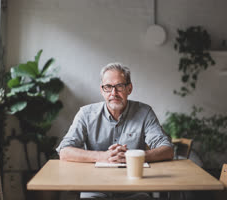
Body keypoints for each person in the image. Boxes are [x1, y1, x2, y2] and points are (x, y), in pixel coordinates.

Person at [56, 63, 173, 199]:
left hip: (135, 189)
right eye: (108, 87)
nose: (114, 93)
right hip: (95, 188)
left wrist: (132, 158)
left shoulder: (144, 112)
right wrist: (103, 157)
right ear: (102, 90)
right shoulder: (86, 114)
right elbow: (64, 151)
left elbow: (167, 150)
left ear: (129, 88)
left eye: (119, 86)